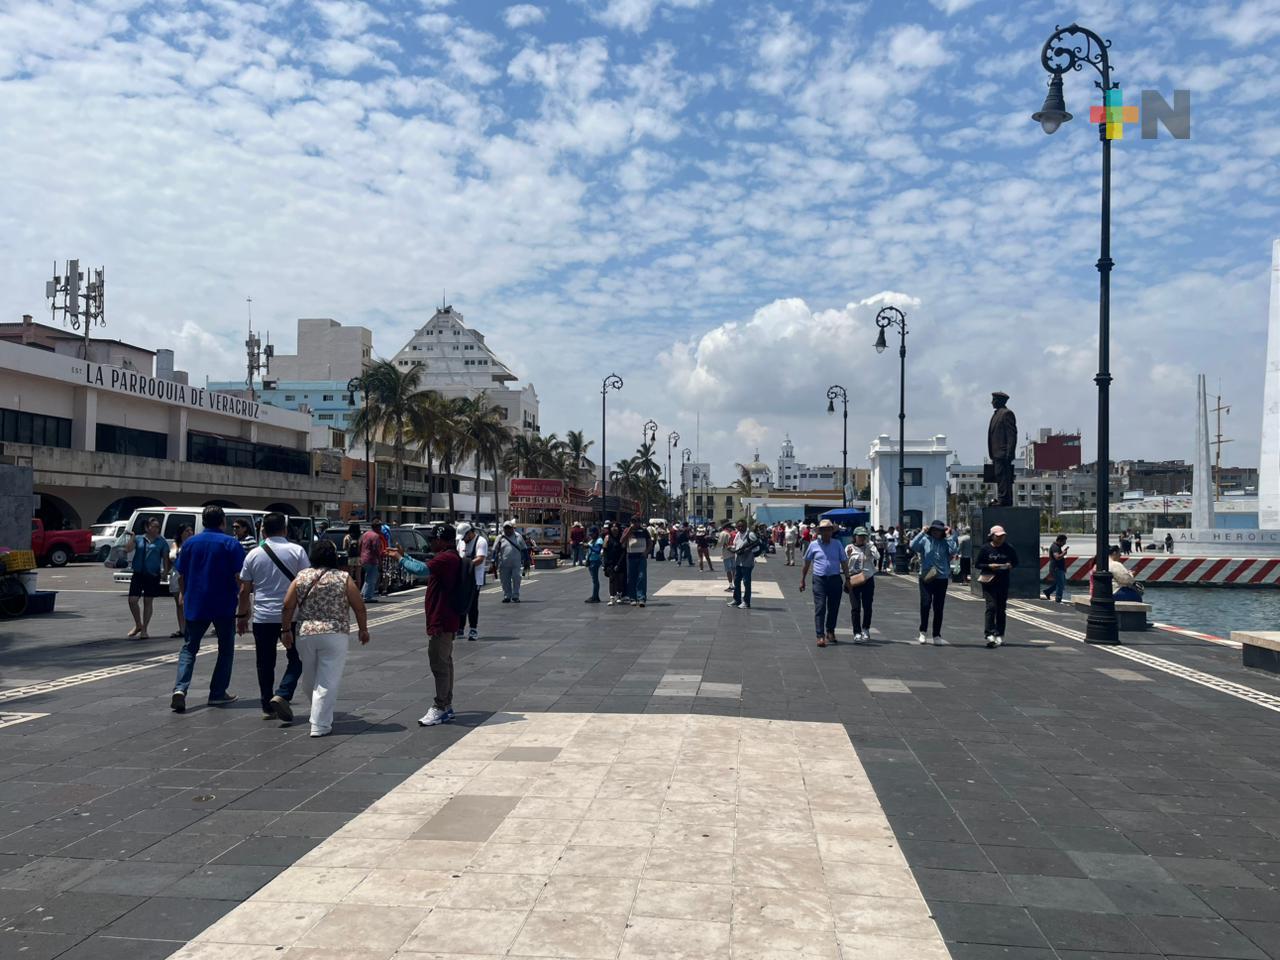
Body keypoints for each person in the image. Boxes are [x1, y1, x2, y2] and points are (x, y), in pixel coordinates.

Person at [281, 538, 368, 737]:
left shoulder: (302, 576)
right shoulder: (343, 578)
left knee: (310, 679)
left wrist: (285, 630)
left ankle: (318, 712)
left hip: (306, 633)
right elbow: (359, 606)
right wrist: (363, 629)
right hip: (334, 633)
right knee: (328, 679)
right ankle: (320, 724)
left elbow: (287, 605)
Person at [170, 506, 245, 712]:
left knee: (189, 648)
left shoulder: (190, 543)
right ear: (223, 521)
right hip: (223, 603)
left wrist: (184, 595)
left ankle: (180, 688)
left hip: (196, 602)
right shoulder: (231, 543)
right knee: (225, 649)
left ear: (203, 522)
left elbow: (181, 574)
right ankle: (217, 692)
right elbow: (239, 575)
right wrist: (240, 594)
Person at [238, 512, 310, 722]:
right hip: (292, 615)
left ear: (263, 530)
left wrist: (242, 615)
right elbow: (305, 582)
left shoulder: (253, 554)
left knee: (264, 661)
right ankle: (283, 693)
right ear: (285, 530)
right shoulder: (297, 551)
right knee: (298, 658)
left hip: (263, 616)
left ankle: (266, 705)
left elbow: (244, 590)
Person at [393, 525, 461, 726]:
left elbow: (422, 570)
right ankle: (446, 706)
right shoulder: (449, 557)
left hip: (441, 620)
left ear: (444, 540)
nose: (431, 543)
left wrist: (400, 559)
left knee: (439, 665)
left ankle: (440, 706)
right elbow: (427, 565)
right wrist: (406, 557)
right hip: (446, 618)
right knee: (445, 662)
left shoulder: (446, 558)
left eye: (434, 539)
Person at [799, 518, 848, 646]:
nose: (827, 533)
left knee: (834, 607)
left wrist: (848, 579)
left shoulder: (837, 544)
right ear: (820, 532)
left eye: (829, 530)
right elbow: (807, 563)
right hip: (819, 579)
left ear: (832, 531)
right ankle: (820, 635)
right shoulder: (813, 545)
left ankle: (830, 631)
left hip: (835, 579)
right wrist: (802, 580)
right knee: (820, 607)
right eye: (824, 530)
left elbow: (844, 562)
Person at [910, 520, 959, 646]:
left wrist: (949, 535)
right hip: (927, 576)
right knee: (925, 604)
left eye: (939, 530)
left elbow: (954, 550)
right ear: (931, 530)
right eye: (935, 530)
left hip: (941, 578)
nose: (937, 532)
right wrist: (922, 532)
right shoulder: (925, 540)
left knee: (938, 607)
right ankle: (923, 631)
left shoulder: (945, 542)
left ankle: (936, 634)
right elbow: (913, 545)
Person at [125, 517, 169, 639]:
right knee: (132, 600)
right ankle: (138, 624)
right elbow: (127, 549)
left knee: (148, 601)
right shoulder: (139, 539)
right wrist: (132, 537)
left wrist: (165, 571)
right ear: (147, 527)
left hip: (152, 574)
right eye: (154, 526)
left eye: (158, 527)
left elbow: (165, 558)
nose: (156, 529)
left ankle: (145, 629)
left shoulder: (161, 542)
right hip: (138, 573)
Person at [975, 525, 1018, 648]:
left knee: (1001, 608)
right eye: (998, 536)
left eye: (1003, 536)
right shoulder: (985, 549)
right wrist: (989, 566)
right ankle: (989, 632)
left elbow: (1015, 561)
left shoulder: (1009, 548)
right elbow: (978, 564)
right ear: (992, 536)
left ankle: (999, 633)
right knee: (991, 606)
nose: (1000, 538)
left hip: (1003, 581)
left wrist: (1010, 565)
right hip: (989, 581)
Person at [844, 526, 879, 643]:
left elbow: (877, 557)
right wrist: (848, 556)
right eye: (860, 536)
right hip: (854, 579)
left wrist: (871, 546)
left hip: (868, 578)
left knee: (868, 606)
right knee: (855, 607)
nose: (862, 538)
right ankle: (857, 632)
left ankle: (866, 629)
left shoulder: (869, 547)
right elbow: (843, 565)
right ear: (855, 537)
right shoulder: (849, 548)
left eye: (864, 536)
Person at [457, 522, 488, 641]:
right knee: (460, 602)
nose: (463, 540)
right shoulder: (461, 542)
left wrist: (465, 564)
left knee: (472, 604)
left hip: (475, 579)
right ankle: (460, 628)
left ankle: (473, 629)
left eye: (465, 537)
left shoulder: (481, 541)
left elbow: (480, 559)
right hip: (462, 577)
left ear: (470, 533)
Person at [169, 525, 194, 638]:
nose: (189, 532)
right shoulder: (176, 544)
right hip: (176, 574)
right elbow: (172, 556)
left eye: (190, 530)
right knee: (178, 604)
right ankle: (182, 629)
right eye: (186, 531)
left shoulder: (194, 543)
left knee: (184, 602)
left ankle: (190, 627)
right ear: (181, 533)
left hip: (189, 574)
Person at [729, 518, 760, 609]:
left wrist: (748, 550)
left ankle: (746, 602)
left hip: (747, 562)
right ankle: (737, 600)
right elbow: (735, 545)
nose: (740, 528)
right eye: (738, 526)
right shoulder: (738, 534)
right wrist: (732, 549)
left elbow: (757, 547)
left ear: (746, 526)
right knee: (737, 581)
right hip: (738, 561)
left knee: (746, 582)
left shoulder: (750, 535)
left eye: (742, 526)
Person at [493, 521, 526, 602]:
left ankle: (515, 595)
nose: (508, 530)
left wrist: (526, 561)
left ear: (512, 528)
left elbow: (524, 549)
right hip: (504, 563)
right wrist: (493, 561)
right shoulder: (500, 538)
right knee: (505, 581)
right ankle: (507, 596)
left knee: (516, 578)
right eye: (506, 528)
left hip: (516, 563)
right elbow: (495, 550)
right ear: (503, 529)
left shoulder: (518, 536)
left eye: (509, 528)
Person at [624, 515, 651, 607]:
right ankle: (633, 598)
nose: (634, 523)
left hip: (641, 557)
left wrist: (646, 552)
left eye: (636, 521)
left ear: (639, 522)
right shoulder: (627, 530)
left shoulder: (644, 531)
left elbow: (650, 542)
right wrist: (629, 531)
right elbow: (622, 541)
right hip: (631, 557)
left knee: (641, 577)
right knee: (631, 577)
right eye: (633, 521)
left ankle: (641, 598)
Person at [358, 518, 385, 603]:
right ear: (377, 527)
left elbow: (359, 544)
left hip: (363, 559)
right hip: (371, 559)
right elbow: (376, 549)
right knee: (371, 579)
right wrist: (380, 561)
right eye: (380, 527)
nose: (381, 529)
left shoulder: (365, 534)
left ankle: (362, 594)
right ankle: (367, 597)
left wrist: (360, 555)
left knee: (367, 578)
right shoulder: (376, 536)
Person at [604, 522, 627, 604]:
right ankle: (612, 597)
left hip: (620, 562)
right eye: (612, 527)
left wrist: (619, 564)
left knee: (620, 579)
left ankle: (619, 595)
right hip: (610, 562)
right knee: (612, 579)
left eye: (616, 527)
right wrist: (605, 563)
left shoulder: (622, 538)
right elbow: (605, 551)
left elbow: (624, 551)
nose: (614, 528)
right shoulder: (607, 538)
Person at [1045, 534, 1069, 602]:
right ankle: (1058, 598)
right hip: (1056, 568)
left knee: (1061, 583)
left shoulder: (1058, 547)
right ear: (1059, 541)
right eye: (1064, 542)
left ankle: (1048, 592)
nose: (1065, 543)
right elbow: (1057, 557)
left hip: (1059, 568)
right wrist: (1064, 553)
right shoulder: (1055, 547)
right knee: (1060, 584)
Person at [585, 525, 604, 602]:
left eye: (592, 534)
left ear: (596, 533)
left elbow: (597, 550)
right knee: (594, 579)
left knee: (595, 580)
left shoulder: (599, 540)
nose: (591, 535)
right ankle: (595, 596)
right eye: (590, 534)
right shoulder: (592, 540)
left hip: (595, 561)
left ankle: (595, 596)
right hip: (591, 560)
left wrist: (589, 546)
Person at [342, 522, 363, 589]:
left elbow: (344, 547)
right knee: (358, 574)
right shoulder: (361, 536)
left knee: (350, 574)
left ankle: (350, 588)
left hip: (350, 557)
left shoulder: (347, 537)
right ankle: (358, 589)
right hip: (359, 556)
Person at [718, 522, 737, 593]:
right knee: (734, 570)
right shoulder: (734, 533)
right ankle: (736, 585)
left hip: (726, 553)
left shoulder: (724, 533)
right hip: (734, 553)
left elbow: (720, 544)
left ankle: (731, 585)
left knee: (728, 570)